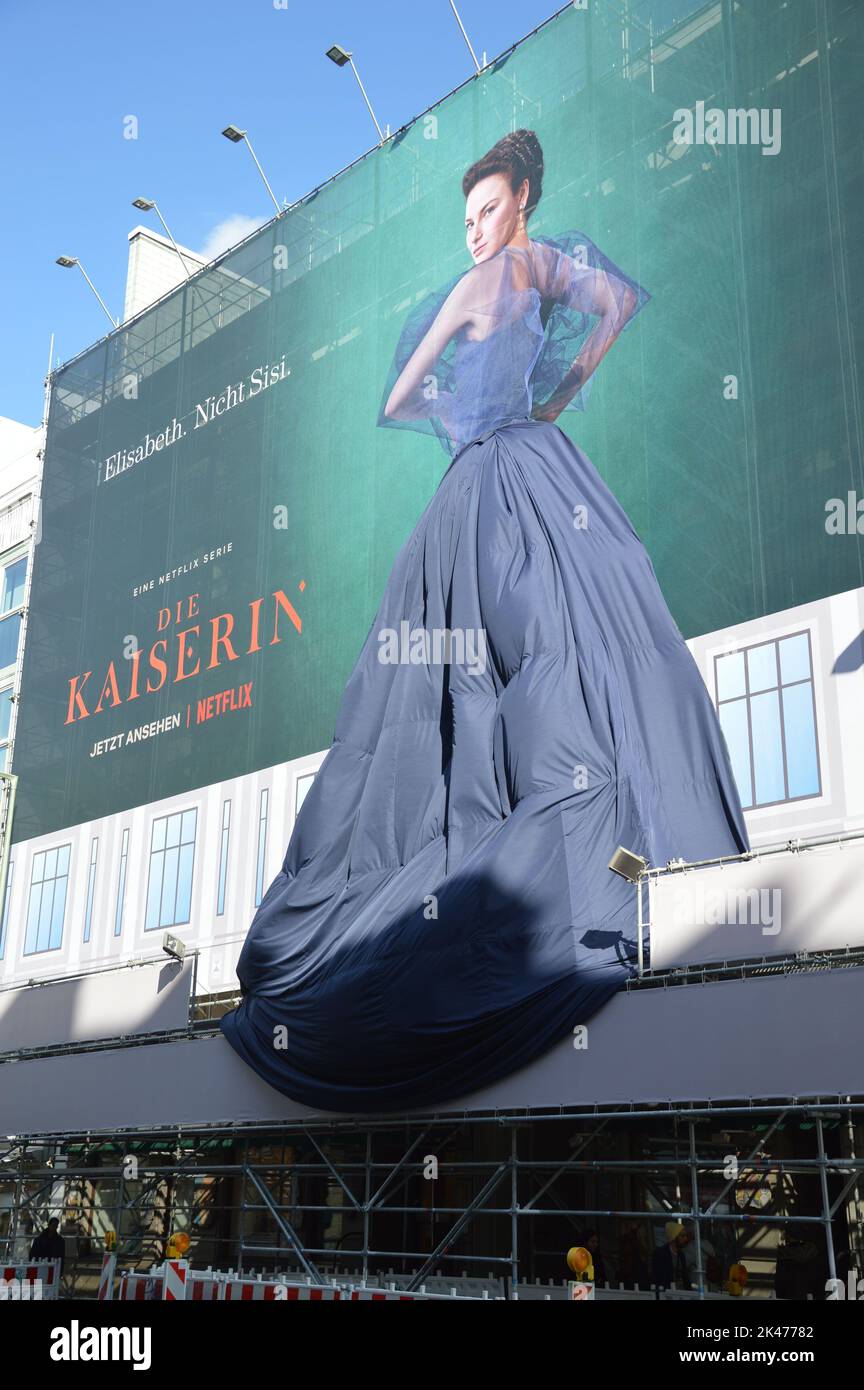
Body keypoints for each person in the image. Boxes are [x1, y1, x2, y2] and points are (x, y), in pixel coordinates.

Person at [220, 128, 749, 1113]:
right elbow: (615, 304)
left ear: (523, 201)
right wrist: (553, 390)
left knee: (511, 654)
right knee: (563, 631)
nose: (474, 233)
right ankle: (586, 841)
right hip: (532, 469)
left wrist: (475, 407)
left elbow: (397, 394)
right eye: (466, 219)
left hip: (494, 479)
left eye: (488, 212)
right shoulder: (536, 271)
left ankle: (560, 835)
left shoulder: (501, 279)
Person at [652, 1221, 691, 1292]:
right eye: (682, 1236)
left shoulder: (681, 1255)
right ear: (674, 1238)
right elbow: (658, 1278)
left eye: (686, 1236)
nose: (685, 1239)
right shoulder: (660, 1254)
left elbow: (685, 1277)